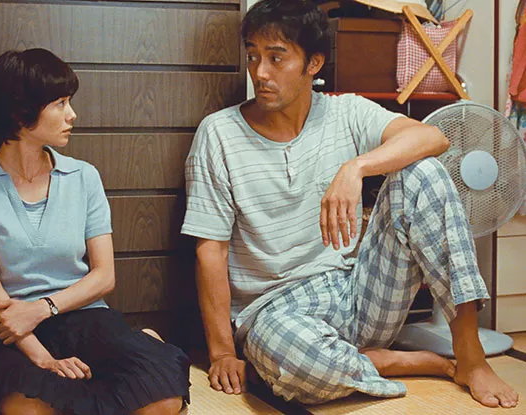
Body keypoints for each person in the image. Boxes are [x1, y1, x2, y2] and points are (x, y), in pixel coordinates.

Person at [181, 0, 519, 409]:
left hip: (356, 292)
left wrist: (356, 167)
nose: (260, 73)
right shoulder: (218, 134)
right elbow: (211, 251)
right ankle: (401, 361)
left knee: (424, 173)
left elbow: (433, 138)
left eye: (276, 58)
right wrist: (222, 353)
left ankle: (469, 355)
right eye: (253, 56)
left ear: (313, 63)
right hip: (274, 315)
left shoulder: (345, 111)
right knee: (292, 357)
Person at [0, 48, 190, 415]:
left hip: (85, 320)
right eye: (60, 103)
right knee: (29, 410)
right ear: (21, 113)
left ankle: (139, 345)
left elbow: (104, 276)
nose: (72, 114)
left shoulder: (83, 176)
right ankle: (138, 346)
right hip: (12, 335)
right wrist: (44, 359)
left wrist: (43, 308)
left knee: (163, 399)